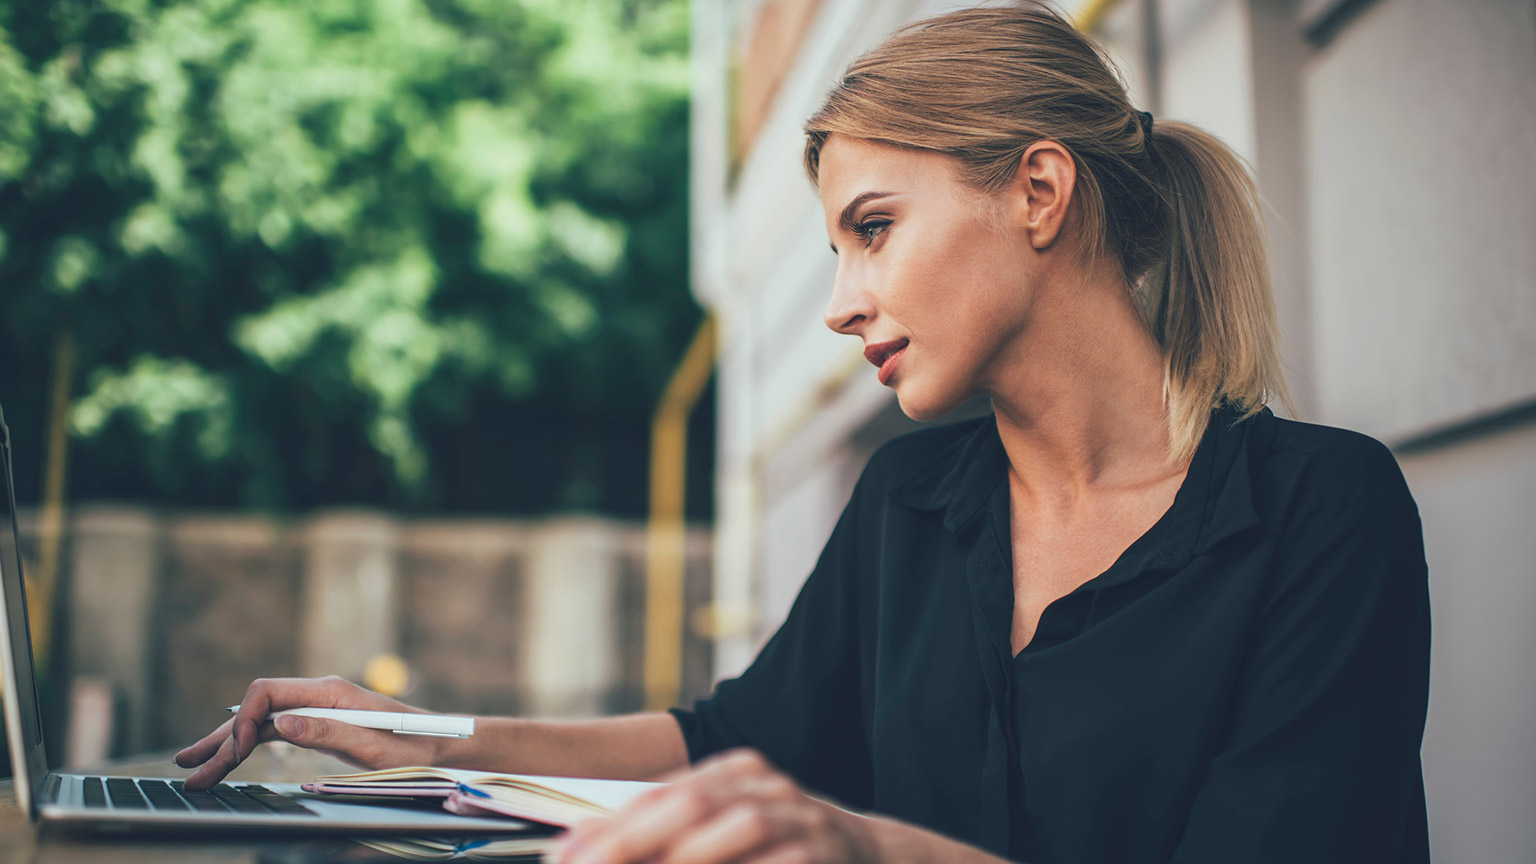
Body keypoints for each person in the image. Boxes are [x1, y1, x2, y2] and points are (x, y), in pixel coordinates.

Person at [176, 3, 1431, 862]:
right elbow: (734, 739)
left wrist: (863, 844)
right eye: (835, 249)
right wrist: (432, 740)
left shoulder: (1323, 511)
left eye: (873, 229)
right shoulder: (909, 506)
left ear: (1038, 194)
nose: (839, 305)